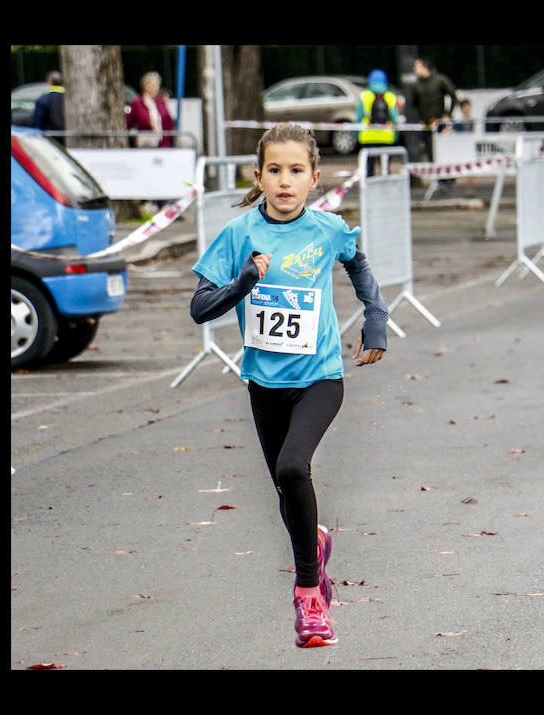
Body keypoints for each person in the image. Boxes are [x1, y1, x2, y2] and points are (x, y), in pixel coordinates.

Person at [188, 123, 388, 648]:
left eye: (295, 171)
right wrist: (243, 283)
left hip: (320, 377)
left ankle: (309, 600)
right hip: (264, 384)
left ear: (314, 179)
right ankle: (314, 545)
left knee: (292, 466)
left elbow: (359, 265)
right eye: (274, 170)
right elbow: (200, 309)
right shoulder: (238, 235)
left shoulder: (326, 229)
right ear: (259, 176)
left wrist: (376, 320)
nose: (284, 180)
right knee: (287, 489)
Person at [410, 57, 458, 163]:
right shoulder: (416, 85)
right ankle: (436, 177)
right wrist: (420, 119)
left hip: (441, 124)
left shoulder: (440, 80)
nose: (414, 70)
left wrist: (448, 114)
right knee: (430, 152)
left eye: (417, 66)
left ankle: (447, 178)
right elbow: (414, 104)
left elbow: (453, 95)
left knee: (445, 151)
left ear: (425, 67)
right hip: (426, 125)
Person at [356, 69, 399, 176]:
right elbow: (395, 119)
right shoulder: (391, 96)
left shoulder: (364, 96)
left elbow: (358, 117)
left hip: (368, 137)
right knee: (385, 169)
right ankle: (385, 189)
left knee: (369, 169)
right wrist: (396, 136)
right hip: (387, 137)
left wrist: (357, 135)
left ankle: (369, 190)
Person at [126, 71, 176, 148]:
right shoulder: (138, 102)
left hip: (163, 144)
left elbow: (168, 121)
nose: (157, 87)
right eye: (154, 85)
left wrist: (175, 138)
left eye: (157, 85)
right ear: (146, 86)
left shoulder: (161, 102)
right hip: (145, 144)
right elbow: (128, 123)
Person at [33, 70, 65, 145]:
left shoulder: (43, 99)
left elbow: (38, 122)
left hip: (50, 140)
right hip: (68, 138)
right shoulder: (69, 99)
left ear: (49, 82)